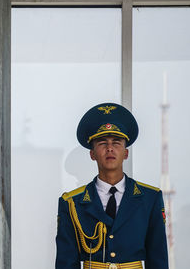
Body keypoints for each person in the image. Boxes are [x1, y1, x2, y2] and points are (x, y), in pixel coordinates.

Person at [55, 102, 168, 269]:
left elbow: (158, 259)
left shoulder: (150, 198)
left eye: (116, 143)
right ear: (92, 154)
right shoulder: (72, 203)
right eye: (102, 143)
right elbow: (66, 262)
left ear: (126, 153)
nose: (109, 149)